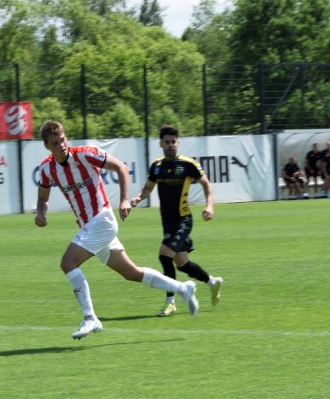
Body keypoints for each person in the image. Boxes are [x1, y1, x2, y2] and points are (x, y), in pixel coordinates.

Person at [34, 120, 200, 340]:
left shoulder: (85, 154)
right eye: (55, 143)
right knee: (131, 273)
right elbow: (43, 198)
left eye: (63, 139)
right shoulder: (47, 168)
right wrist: (41, 213)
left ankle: (90, 318)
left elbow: (121, 167)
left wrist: (123, 200)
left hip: (102, 220)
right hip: (90, 226)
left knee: (68, 263)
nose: (61, 145)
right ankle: (183, 288)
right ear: (47, 146)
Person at [131, 125, 224, 317]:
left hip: (183, 219)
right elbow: (148, 187)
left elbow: (206, 184)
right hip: (167, 221)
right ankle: (212, 282)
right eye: (167, 142)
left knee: (164, 256)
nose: (171, 145)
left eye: (174, 142)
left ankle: (170, 302)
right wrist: (139, 197)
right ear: (161, 144)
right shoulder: (157, 166)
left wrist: (209, 206)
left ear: (178, 142)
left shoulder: (188, 164)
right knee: (182, 264)